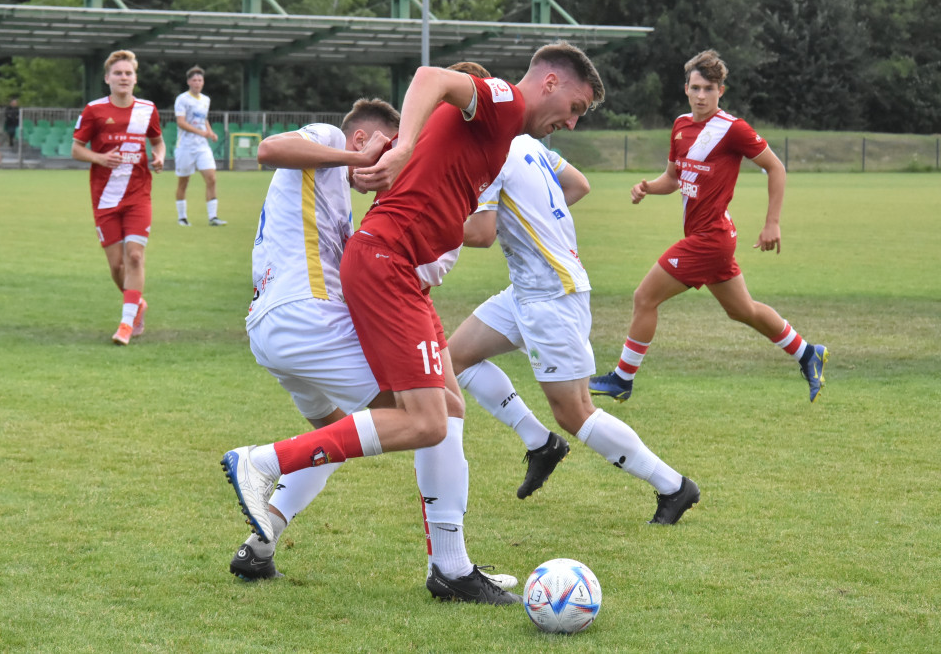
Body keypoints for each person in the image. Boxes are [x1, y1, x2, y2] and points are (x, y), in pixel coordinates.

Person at [221, 41, 604, 603]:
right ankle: (263, 461)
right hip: (360, 283)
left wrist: (409, 159)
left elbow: (472, 222)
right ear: (550, 82)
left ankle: (441, 565)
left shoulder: (490, 144)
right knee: (428, 421)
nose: (572, 121)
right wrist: (397, 150)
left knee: (437, 413)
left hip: (362, 287)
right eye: (577, 106)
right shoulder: (499, 101)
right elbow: (431, 75)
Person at [224, 97, 517, 600]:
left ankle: (261, 542)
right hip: (307, 317)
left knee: (340, 434)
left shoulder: (332, 185)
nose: (400, 154)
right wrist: (361, 160)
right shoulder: (331, 138)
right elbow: (270, 148)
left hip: (276, 328)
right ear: (363, 138)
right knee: (437, 412)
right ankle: (451, 566)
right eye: (395, 143)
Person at [449, 133, 699, 523]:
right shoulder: (526, 142)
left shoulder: (488, 150)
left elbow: (480, 233)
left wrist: (423, 225)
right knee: (455, 359)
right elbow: (578, 183)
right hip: (527, 290)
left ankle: (673, 486)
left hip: (552, 296)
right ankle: (541, 443)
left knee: (575, 412)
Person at [589, 49, 829, 403]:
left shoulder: (733, 130)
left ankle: (623, 379)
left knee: (644, 298)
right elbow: (673, 178)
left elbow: (776, 168)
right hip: (713, 238)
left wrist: (772, 223)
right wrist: (647, 188)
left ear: (721, 91)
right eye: (696, 87)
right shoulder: (681, 125)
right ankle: (808, 353)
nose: (702, 96)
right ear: (686, 88)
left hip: (710, 239)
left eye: (709, 89)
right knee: (742, 310)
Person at [71, 49, 165, 346]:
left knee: (135, 256)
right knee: (117, 267)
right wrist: (99, 158)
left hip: (139, 195)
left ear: (135, 78)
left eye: (128, 73)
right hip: (105, 198)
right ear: (107, 78)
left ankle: (125, 324)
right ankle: (137, 304)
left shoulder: (147, 109)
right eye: (118, 73)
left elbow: (158, 142)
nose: (123, 78)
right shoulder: (94, 110)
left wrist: (159, 157)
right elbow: (76, 149)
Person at [173, 66, 225, 226]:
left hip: (202, 146)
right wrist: (199, 132)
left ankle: (213, 217)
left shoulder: (205, 100)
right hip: (185, 146)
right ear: (189, 82)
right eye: (194, 80)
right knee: (184, 182)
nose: (197, 83)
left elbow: (204, 119)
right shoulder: (182, 99)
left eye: (200, 80)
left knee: (212, 178)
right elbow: (181, 122)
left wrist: (209, 132)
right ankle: (182, 217)